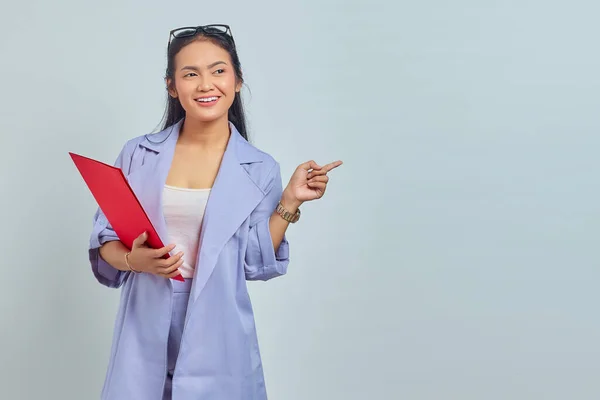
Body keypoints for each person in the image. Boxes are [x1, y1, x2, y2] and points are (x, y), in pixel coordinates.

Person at [88, 24, 342, 400]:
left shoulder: (259, 168)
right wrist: (133, 260)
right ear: (172, 86)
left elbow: (254, 263)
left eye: (218, 70)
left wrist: (289, 202)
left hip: (219, 331)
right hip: (145, 325)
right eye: (190, 74)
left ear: (237, 80)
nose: (206, 84)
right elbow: (105, 238)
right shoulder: (138, 154)